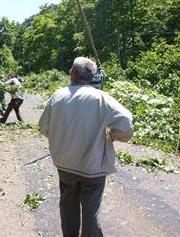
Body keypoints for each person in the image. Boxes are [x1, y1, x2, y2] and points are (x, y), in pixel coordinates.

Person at [38, 57, 133, 237]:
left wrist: (61, 137)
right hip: (93, 166)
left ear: (73, 73)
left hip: (65, 164)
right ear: (92, 77)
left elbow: (44, 127)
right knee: (90, 212)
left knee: (68, 206)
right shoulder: (101, 98)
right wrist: (113, 135)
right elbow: (126, 123)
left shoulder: (57, 96)